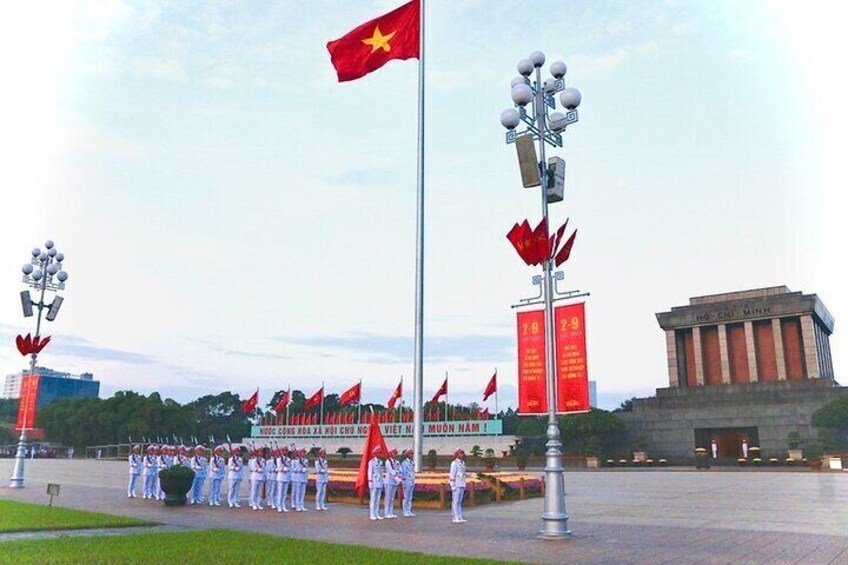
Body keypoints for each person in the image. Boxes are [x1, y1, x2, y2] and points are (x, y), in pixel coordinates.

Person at [449, 448, 467, 523]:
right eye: (460, 453)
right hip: (456, 484)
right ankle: (455, 517)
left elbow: (463, 473)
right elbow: (452, 475)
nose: (461, 454)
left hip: (461, 483)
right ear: (456, 454)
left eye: (462, 453)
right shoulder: (454, 463)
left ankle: (459, 516)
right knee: (455, 501)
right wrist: (452, 485)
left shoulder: (463, 463)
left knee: (460, 501)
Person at [368, 446, 385, 521]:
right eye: (379, 452)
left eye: (380, 452)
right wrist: (370, 481)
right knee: (373, 499)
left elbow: (381, 472)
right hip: (374, 482)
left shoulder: (381, 462)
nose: (380, 453)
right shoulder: (371, 462)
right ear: (375, 453)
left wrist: (383, 481)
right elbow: (370, 472)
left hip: (380, 481)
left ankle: (377, 513)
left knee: (378, 499)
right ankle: (372, 514)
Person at [383, 448, 400, 519]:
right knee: (388, 498)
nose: (396, 454)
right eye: (394, 453)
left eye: (396, 453)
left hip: (394, 482)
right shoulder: (388, 462)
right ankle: (386, 513)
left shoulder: (397, 462)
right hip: (389, 481)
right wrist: (396, 475)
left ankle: (391, 512)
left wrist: (398, 474)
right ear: (390, 454)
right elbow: (391, 471)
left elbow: (399, 469)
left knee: (392, 498)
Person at [400, 448, 416, 517]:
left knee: (410, 497)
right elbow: (403, 473)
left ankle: (409, 510)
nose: (412, 455)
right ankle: (405, 511)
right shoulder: (404, 463)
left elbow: (412, 472)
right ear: (407, 455)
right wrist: (404, 482)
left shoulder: (412, 462)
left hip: (411, 481)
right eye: (411, 453)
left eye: (412, 453)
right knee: (406, 497)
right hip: (406, 481)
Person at [276, 446, 291, 513]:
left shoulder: (288, 459)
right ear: (282, 451)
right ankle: (279, 506)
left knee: (284, 493)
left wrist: (287, 470)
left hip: (286, 477)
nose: (286, 452)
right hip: (281, 477)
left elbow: (289, 467)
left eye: (287, 451)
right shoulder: (279, 459)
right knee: (280, 493)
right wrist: (283, 469)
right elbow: (278, 469)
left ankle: (283, 506)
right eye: (285, 451)